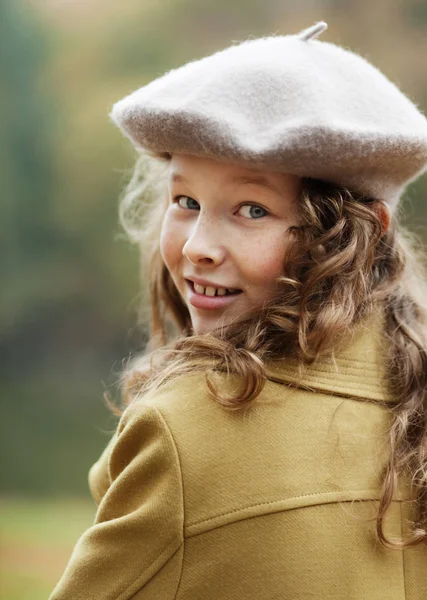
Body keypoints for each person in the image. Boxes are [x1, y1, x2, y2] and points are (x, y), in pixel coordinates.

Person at [49, 21, 427, 599]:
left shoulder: (186, 431)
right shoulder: (411, 396)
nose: (198, 244)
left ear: (361, 235)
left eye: (251, 209)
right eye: (186, 201)